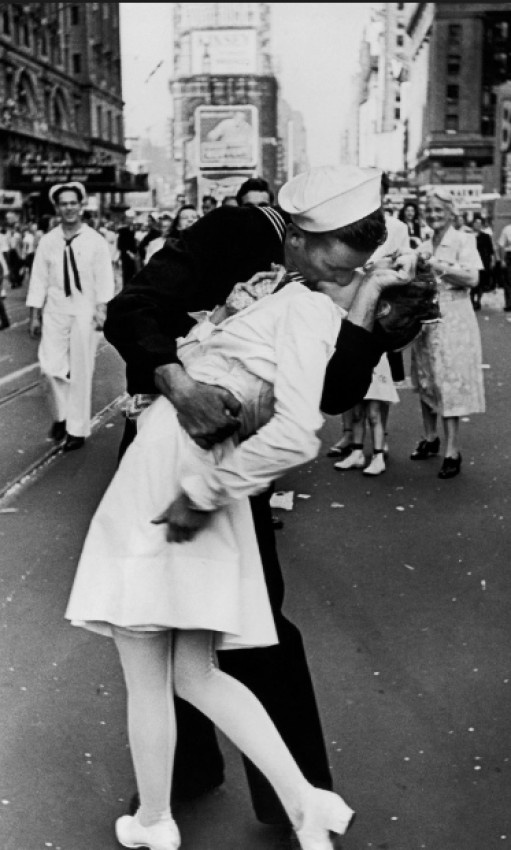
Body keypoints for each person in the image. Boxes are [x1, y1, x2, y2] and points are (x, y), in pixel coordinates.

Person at [68, 165, 414, 850]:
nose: (351, 265)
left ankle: (280, 797)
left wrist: (371, 323)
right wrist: (178, 382)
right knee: (175, 631)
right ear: (301, 237)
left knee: (247, 626)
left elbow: (333, 394)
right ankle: (187, 776)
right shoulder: (233, 232)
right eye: (345, 249)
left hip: (230, 467)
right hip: (175, 439)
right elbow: (132, 309)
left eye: (364, 252)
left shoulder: (338, 282)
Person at [26, 182, 115, 451]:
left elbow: (104, 278)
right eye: (63, 204)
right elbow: (39, 279)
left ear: (81, 205)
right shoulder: (48, 242)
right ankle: (61, 416)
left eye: (73, 203)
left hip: (84, 312)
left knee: (81, 371)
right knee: (49, 368)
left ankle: (76, 429)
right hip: (55, 311)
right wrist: (34, 315)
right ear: (57, 208)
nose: (69, 208)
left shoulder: (95, 241)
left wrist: (102, 310)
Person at [329, 172, 410, 462]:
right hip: (347, 306)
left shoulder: (397, 228)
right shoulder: (346, 225)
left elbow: (404, 268)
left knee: (379, 382)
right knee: (345, 368)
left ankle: (379, 442)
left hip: (381, 310)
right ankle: (350, 435)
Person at [409, 188, 485, 479]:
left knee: (449, 381)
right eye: (429, 210)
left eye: (439, 210)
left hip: (454, 318)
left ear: (452, 212)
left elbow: (472, 277)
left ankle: (452, 450)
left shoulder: (464, 240)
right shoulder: (424, 243)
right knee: (427, 379)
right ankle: (430, 438)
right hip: (426, 319)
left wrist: (436, 265)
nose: (433, 215)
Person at [471, 215, 494, 311]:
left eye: (480, 224)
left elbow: (490, 250)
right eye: (476, 223)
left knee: (481, 283)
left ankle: (478, 300)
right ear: (473, 224)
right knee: (472, 283)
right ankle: (472, 300)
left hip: (483, 262)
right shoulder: (468, 236)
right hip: (471, 263)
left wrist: (492, 261)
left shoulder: (486, 236)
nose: (478, 225)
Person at [117, 210, 139, 288]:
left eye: (132, 218)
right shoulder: (122, 230)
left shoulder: (133, 230)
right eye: (129, 218)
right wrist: (129, 253)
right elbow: (120, 245)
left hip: (134, 257)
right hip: (126, 257)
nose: (131, 220)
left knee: (133, 275)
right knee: (126, 276)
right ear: (126, 219)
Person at [497, 219, 511, 312]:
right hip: (509, 256)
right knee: (509, 281)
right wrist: (502, 260)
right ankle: (509, 304)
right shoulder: (507, 229)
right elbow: (501, 245)